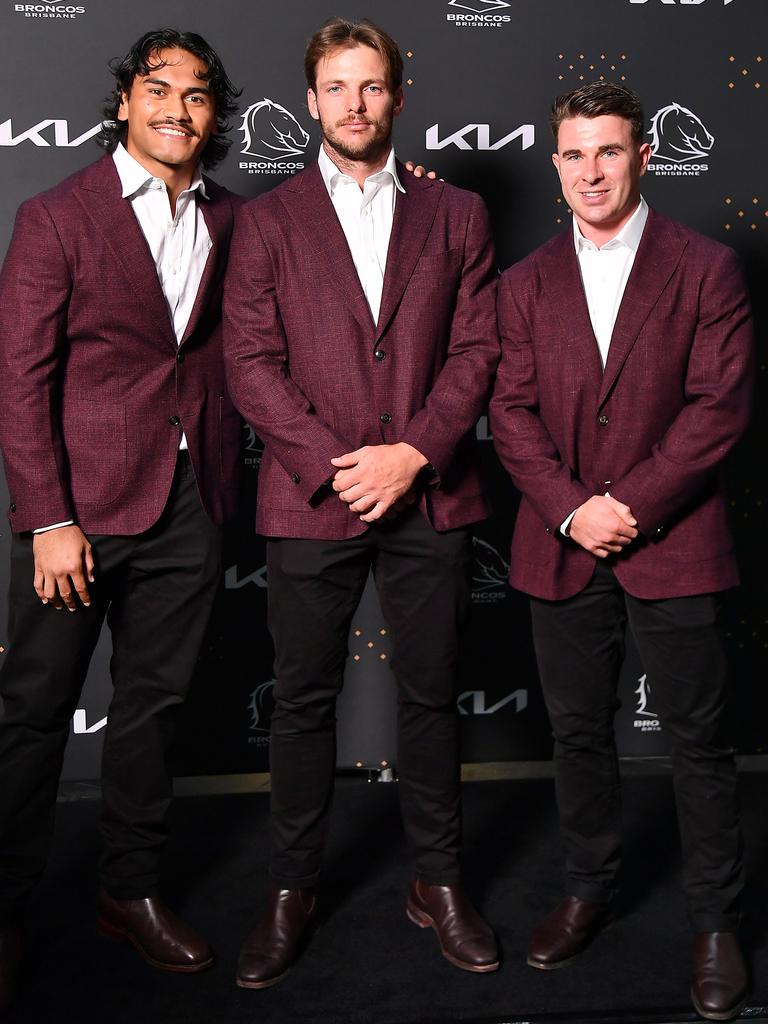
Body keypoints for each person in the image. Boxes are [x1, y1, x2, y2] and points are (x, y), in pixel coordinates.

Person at [223, 16, 500, 989]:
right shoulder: (264, 221)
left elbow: (477, 351)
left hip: (430, 494)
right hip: (312, 495)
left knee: (431, 694)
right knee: (300, 703)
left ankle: (438, 881)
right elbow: (250, 366)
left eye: (372, 85)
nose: (354, 103)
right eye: (336, 86)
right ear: (311, 100)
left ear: (397, 96)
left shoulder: (457, 214)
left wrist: (414, 453)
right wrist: (344, 463)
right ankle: (293, 887)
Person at [490, 82, 754, 1021]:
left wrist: (629, 505)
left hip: (673, 538)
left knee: (698, 740)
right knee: (575, 732)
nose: (590, 170)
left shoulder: (706, 268)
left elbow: (719, 407)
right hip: (560, 543)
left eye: (608, 151)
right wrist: (572, 511)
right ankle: (588, 886)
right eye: (573, 154)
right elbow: (510, 414)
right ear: (555, 163)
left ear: (642, 156)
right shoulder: (520, 283)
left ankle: (717, 921)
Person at [0, 29, 244, 1008]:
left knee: (153, 713)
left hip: (194, 500)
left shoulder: (236, 217)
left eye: (195, 96)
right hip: (83, 511)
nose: (175, 109)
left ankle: (129, 891)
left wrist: (413, 188)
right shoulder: (57, 216)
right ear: (124, 103)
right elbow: (21, 380)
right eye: (157, 89)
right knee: (30, 714)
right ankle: (6, 907)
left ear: (214, 117)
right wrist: (49, 516)